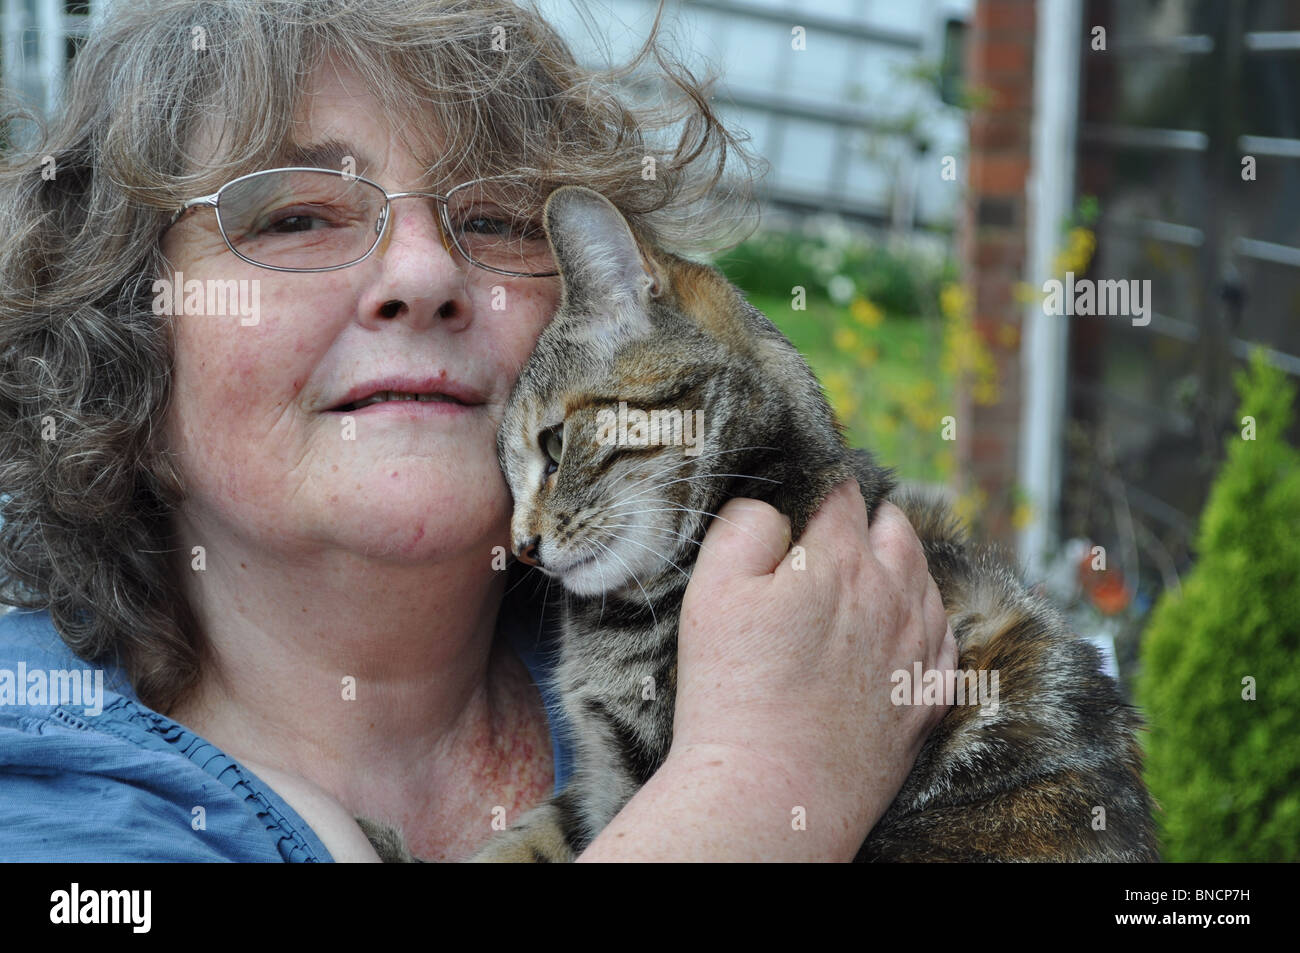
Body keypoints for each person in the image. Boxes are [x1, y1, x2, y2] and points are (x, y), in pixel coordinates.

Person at [0, 0, 955, 862]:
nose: (424, 276)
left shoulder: (801, 645)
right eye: (296, 215)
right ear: (120, 334)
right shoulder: (43, 786)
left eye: (496, 218)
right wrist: (761, 787)